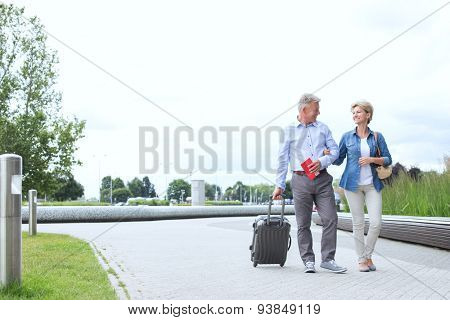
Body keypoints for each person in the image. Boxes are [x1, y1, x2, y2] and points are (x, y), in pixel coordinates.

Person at [272, 93, 347, 273]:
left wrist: (322, 161)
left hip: (322, 179)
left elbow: (335, 151)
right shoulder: (289, 130)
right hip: (300, 180)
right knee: (303, 222)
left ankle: (328, 259)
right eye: (315, 109)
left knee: (331, 218)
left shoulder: (323, 128)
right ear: (304, 110)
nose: (318, 113)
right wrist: (279, 185)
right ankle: (308, 260)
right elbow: (282, 159)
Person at [332, 100, 392, 272]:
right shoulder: (347, 137)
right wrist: (329, 153)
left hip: (373, 184)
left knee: (376, 223)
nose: (355, 115)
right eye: (353, 113)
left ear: (368, 115)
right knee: (358, 223)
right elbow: (338, 160)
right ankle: (361, 260)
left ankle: (367, 255)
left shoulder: (377, 137)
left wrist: (372, 159)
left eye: (358, 112)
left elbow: (388, 159)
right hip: (352, 185)